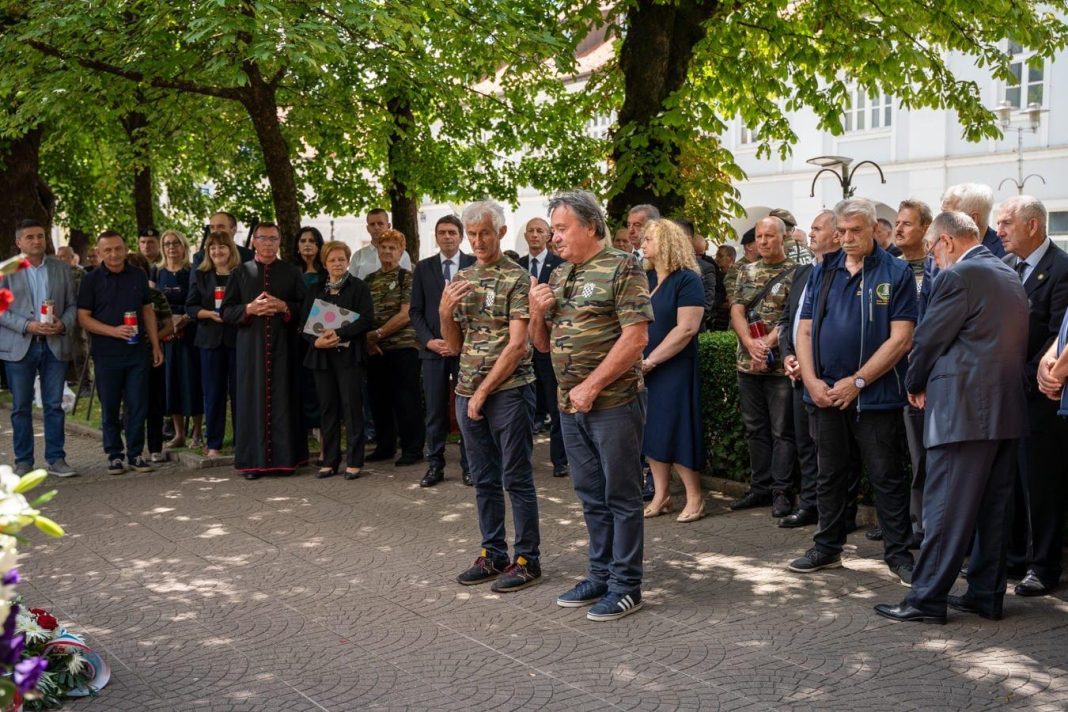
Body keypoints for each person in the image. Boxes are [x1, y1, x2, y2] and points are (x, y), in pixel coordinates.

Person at [874, 211, 1028, 624]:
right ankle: (985, 595)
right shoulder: (1008, 272)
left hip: (962, 410)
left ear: (947, 241)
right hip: (1004, 410)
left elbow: (928, 337)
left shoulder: (959, 275)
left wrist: (913, 381)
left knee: (944, 509)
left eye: (932, 249)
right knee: (994, 511)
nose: (932, 258)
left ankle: (926, 599)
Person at [530, 190, 653, 621]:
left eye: (562, 229)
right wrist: (536, 312)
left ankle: (626, 585)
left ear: (591, 226)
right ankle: (600, 574)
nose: (555, 238)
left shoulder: (624, 266)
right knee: (589, 495)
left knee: (621, 495)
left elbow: (636, 338)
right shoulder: (560, 273)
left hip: (614, 403)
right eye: (553, 230)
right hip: (570, 407)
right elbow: (542, 345)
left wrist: (592, 386)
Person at [789, 198, 916, 585]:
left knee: (886, 477)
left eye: (855, 231)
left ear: (875, 229)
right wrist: (811, 380)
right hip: (825, 394)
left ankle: (899, 555)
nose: (846, 238)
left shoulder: (895, 271)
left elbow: (901, 339)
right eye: (841, 231)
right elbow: (804, 330)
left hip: (875, 398)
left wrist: (858, 381)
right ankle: (827, 547)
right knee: (829, 475)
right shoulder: (823, 270)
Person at [440, 200, 542, 592]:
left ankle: (527, 559)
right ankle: (493, 553)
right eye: (472, 234)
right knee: (483, 479)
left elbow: (518, 345)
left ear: (500, 232)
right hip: (468, 391)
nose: (478, 241)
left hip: (508, 392)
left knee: (516, 477)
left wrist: (482, 392)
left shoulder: (517, 278)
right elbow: (454, 345)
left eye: (485, 232)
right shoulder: (462, 278)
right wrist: (444, 312)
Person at [997, 195, 1068, 597]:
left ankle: (1043, 566)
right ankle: (1013, 558)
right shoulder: (1006, 265)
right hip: (1006, 394)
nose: (999, 231)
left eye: (1006, 223)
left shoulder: (1061, 269)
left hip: (1042, 396)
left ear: (1033, 225)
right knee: (1010, 479)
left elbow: (1058, 334)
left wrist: (1025, 377)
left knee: (1041, 484)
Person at [221, 221, 308, 479]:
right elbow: (226, 311)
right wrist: (248, 309)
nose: (268, 243)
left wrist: (284, 307)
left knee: (284, 401)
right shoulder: (240, 272)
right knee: (252, 402)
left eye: (273, 238)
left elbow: (306, 308)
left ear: (279, 242)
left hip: (284, 349)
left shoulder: (292, 272)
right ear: (254, 242)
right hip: (252, 351)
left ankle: (285, 461)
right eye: (263, 238)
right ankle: (253, 463)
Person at [77, 230, 163, 475]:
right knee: (111, 406)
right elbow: (83, 317)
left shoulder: (138, 274)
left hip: (137, 353)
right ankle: (114, 455)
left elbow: (147, 310)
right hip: (106, 354)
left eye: (118, 249)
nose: (114, 254)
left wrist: (155, 344)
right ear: (99, 252)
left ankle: (135, 454)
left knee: (137, 405)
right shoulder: (91, 279)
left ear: (125, 249)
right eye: (108, 250)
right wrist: (113, 331)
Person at [728, 217, 797, 518]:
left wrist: (766, 345)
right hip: (748, 364)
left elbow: (792, 316)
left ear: (783, 238)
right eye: (759, 236)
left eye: (770, 236)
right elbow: (737, 310)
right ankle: (760, 488)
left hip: (780, 366)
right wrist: (749, 343)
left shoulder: (797, 272)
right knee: (755, 429)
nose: (763, 241)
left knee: (783, 431)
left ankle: (782, 492)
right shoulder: (746, 270)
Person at [638, 220, 706, 522]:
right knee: (652, 430)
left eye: (649, 239)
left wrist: (651, 360)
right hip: (646, 367)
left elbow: (686, 328)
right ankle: (662, 495)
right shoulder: (648, 278)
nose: (643, 245)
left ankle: (695, 497)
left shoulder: (687, 279)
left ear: (666, 243)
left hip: (674, 366)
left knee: (678, 429)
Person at [777, 210, 840, 528]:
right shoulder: (802, 272)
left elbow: (835, 327)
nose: (810, 233)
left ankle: (837, 513)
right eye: (811, 228)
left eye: (817, 228)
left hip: (824, 375)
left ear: (836, 234)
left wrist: (808, 363)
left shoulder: (842, 272)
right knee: (804, 443)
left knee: (829, 449)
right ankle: (810, 505)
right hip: (797, 374)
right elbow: (787, 320)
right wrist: (788, 356)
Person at [0, 220, 77, 477]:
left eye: (40, 236)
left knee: (54, 404)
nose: (36, 241)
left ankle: (56, 459)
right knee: (21, 407)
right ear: (18, 242)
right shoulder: (6, 270)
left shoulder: (61, 268)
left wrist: (63, 323)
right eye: (30, 237)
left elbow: (72, 305)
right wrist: (27, 325)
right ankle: (24, 462)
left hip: (54, 344)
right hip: (20, 346)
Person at [409, 215, 475, 487]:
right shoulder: (423, 268)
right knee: (435, 411)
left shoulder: (474, 265)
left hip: (466, 351)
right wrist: (429, 341)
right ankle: (435, 465)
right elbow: (415, 311)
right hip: (433, 351)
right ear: (436, 237)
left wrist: (461, 341)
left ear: (460, 236)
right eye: (442, 232)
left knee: (467, 409)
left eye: (452, 232)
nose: (447, 236)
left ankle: (470, 466)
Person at [301, 241, 375, 480]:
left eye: (341, 259)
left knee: (352, 408)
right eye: (332, 260)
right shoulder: (315, 289)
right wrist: (316, 342)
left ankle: (354, 461)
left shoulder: (359, 287)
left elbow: (367, 319)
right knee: (328, 409)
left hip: (349, 357)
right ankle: (330, 461)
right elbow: (303, 324)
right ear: (324, 263)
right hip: (321, 357)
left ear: (348, 261)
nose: (337, 264)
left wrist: (339, 334)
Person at [364, 228, 425, 466]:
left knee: (406, 399)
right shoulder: (369, 280)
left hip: (403, 347)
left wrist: (377, 334)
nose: (387, 251)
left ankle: (412, 449)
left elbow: (406, 314)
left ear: (401, 252)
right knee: (378, 399)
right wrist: (369, 341)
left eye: (393, 247)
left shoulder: (407, 277)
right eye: (384, 247)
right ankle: (385, 446)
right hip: (375, 349)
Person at [894, 199, 933, 547]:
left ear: (926, 228)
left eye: (907, 223)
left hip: (921, 376)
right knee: (892, 455)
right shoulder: (889, 266)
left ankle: (921, 526)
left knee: (922, 456)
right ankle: (896, 522)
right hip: (886, 375)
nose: (899, 228)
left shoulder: (936, 267)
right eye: (897, 222)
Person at [518, 217, 568, 478]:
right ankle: (522, 458)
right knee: (523, 405)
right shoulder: (516, 266)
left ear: (548, 236)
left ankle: (559, 459)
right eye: (531, 230)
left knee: (554, 402)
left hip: (547, 344)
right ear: (526, 235)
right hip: (520, 346)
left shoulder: (560, 265)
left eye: (540, 230)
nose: (535, 235)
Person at [186, 231, 241, 459]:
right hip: (209, 341)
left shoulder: (242, 274)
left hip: (237, 340)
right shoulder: (201, 275)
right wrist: (208, 314)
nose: (217, 251)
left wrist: (234, 314)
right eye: (213, 248)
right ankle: (214, 444)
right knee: (213, 393)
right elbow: (191, 307)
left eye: (222, 247)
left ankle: (242, 443)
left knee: (240, 393)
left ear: (230, 249)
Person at [157, 230, 203, 448]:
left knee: (191, 381)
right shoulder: (157, 272)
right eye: (167, 244)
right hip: (167, 335)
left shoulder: (192, 272)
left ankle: (197, 432)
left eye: (175, 243)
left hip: (189, 333)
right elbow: (151, 302)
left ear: (183, 246)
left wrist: (184, 318)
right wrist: (166, 321)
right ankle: (179, 433)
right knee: (171, 382)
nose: (171, 247)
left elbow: (198, 300)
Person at [127, 252, 175, 462]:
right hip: (127, 354)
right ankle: (134, 449)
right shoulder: (118, 295)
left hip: (152, 353)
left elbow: (169, 325)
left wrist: (154, 338)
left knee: (155, 402)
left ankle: (155, 447)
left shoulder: (155, 295)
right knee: (132, 404)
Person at [292, 226, 325, 445]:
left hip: (319, 337)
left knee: (318, 386)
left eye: (312, 241)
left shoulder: (326, 273)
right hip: (295, 337)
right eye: (303, 241)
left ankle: (322, 436)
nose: (307, 245)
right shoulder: (290, 272)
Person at [675, 218, 718, 332]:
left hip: (691, 332)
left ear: (687, 239)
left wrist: (682, 327)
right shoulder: (659, 268)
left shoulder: (705, 268)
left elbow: (706, 305)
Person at [941, 183, 1005, 258]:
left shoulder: (1005, 252)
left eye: (948, 217)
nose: (942, 222)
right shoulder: (941, 248)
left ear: (972, 219)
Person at [348, 209, 412, 280]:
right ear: (368, 228)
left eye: (380, 223)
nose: (376, 227)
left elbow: (407, 280)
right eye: (372, 224)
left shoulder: (403, 255)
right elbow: (350, 284)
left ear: (388, 226)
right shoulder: (358, 256)